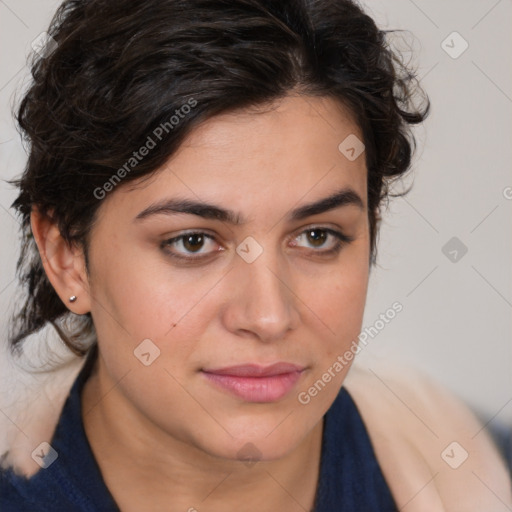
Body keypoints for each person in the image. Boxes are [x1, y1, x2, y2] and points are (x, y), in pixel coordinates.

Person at [1, 0, 510, 510]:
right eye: (193, 242)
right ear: (66, 254)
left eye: (317, 236)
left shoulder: (478, 478)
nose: (268, 316)